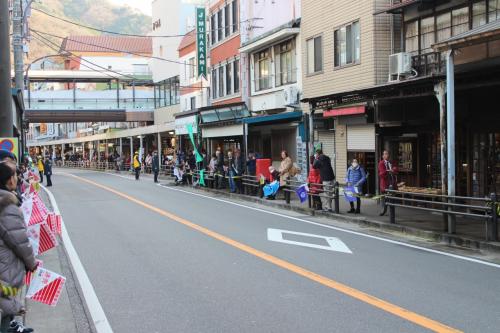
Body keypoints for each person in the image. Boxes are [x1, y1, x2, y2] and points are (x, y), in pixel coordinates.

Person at [0, 159, 37, 333]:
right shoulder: (7, 205)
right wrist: (32, 263)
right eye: (14, 175)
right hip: (5, 263)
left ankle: (11, 324)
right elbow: (19, 241)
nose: (17, 177)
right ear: (9, 180)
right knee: (5, 299)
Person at [378, 150, 398, 216]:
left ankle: (392, 212)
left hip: (392, 182)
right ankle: (383, 211)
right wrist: (389, 171)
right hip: (385, 183)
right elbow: (381, 174)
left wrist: (393, 170)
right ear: (383, 156)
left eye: (387, 154)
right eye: (385, 154)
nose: (386, 155)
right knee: (384, 198)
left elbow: (396, 170)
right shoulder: (381, 163)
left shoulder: (391, 162)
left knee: (392, 198)